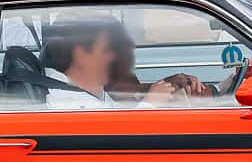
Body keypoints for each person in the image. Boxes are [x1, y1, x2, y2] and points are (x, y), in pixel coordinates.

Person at [40, 19, 189, 110]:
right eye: (108, 50)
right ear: (81, 55)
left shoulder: (88, 90)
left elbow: (118, 112)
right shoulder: (69, 103)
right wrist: (150, 104)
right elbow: (113, 142)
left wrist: (161, 89)